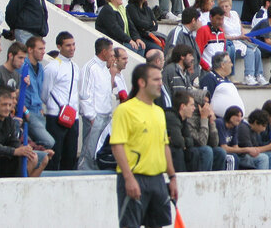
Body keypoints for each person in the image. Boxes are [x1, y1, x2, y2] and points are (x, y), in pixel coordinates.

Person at [111, 63, 177, 228]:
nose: (160, 83)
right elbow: (117, 145)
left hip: (158, 179)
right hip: (135, 177)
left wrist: (172, 177)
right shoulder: (125, 110)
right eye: (156, 80)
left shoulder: (159, 112)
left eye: (161, 79)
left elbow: (164, 146)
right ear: (141, 82)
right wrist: (128, 178)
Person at [0, 84, 51, 177]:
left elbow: (13, 141)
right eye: (4, 105)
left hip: (2, 157)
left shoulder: (9, 120)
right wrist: (15, 151)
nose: (8, 108)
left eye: (9, 105)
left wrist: (24, 149)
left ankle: (20, 185)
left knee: (31, 157)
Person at [43, 31, 80, 170]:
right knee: (55, 154)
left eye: (73, 45)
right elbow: (44, 92)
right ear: (59, 47)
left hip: (72, 116)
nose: (72, 48)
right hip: (55, 116)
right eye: (68, 45)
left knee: (70, 155)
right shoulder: (52, 67)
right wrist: (54, 107)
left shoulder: (75, 67)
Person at [79, 37, 117, 170]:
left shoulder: (105, 69)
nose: (113, 54)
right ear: (104, 51)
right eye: (111, 50)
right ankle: (83, 172)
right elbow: (84, 94)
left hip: (106, 116)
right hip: (95, 117)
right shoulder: (90, 67)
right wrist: (91, 117)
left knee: (99, 151)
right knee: (89, 150)